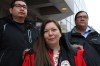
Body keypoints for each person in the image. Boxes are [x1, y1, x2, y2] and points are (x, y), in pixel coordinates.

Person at [22, 20, 86, 66]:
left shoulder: (76, 54)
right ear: (43, 36)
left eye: (54, 30)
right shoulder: (31, 56)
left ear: (60, 33)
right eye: (46, 31)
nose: (50, 33)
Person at [0, 0, 39, 66]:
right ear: (11, 10)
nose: (22, 9)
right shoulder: (2, 25)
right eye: (18, 6)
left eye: (24, 7)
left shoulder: (33, 28)